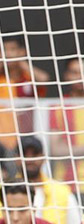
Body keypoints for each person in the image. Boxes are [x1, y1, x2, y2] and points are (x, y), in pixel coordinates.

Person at [0, 135, 80, 224]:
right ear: (16, 158)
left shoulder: (62, 192)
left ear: (43, 157)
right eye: (24, 154)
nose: (29, 159)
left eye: (34, 154)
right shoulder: (0, 190)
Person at [0, 36, 49, 152]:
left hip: (27, 139)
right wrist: (1, 63)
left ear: (22, 51)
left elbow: (44, 79)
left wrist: (21, 62)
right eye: (3, 50)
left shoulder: (28, 78)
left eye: (12, 49)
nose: (7, 54)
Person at [49, 57, 84, 188]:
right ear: (66, 75)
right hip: (67, 184)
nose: (80, 77)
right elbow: (55, 149)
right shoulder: (58, 107)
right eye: (75, 72)